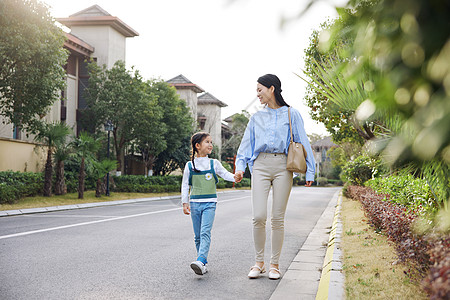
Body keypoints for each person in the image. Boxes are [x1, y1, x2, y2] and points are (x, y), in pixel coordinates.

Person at [234, 74, 315, 280]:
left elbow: (303, 141)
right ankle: (258, 262)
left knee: (278, 218)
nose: (257, 94)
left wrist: (311, 170)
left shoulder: (292, 113)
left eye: (260, 90)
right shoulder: (256, 118)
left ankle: (274, 265)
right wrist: (240, 167)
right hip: (260, 165)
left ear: (272, 89)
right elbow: (246, 144)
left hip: (283, 167)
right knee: (258, 216)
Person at [182, 132, 236, 275]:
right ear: (197, 146)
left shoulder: (214, 163)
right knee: (198, 236)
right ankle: (202, 264)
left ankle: (200, 259)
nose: (211, 144)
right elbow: (185, 185)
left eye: (211, 142)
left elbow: (225, 174)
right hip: (194, 204)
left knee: (205, 232)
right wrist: (184, 202)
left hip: (209, 203)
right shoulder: (189, 165)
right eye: (207, 142)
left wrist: (236, 177)